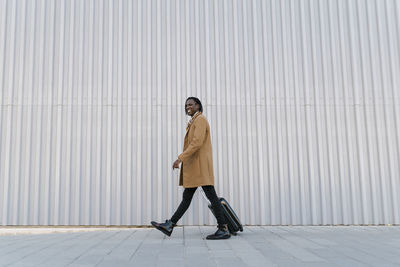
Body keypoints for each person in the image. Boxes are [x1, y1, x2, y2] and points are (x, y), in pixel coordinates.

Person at [151, 97, 231, 240]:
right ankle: (170, 224)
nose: (188, 107)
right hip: (196, 167)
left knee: (211, 196)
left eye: (191, 104)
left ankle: (223, 228)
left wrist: (180, 158)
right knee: (189, 197)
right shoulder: (195, 121)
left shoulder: (200, 120)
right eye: (186, 105)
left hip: (199, 167)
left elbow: (196, 142)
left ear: (198, 106)